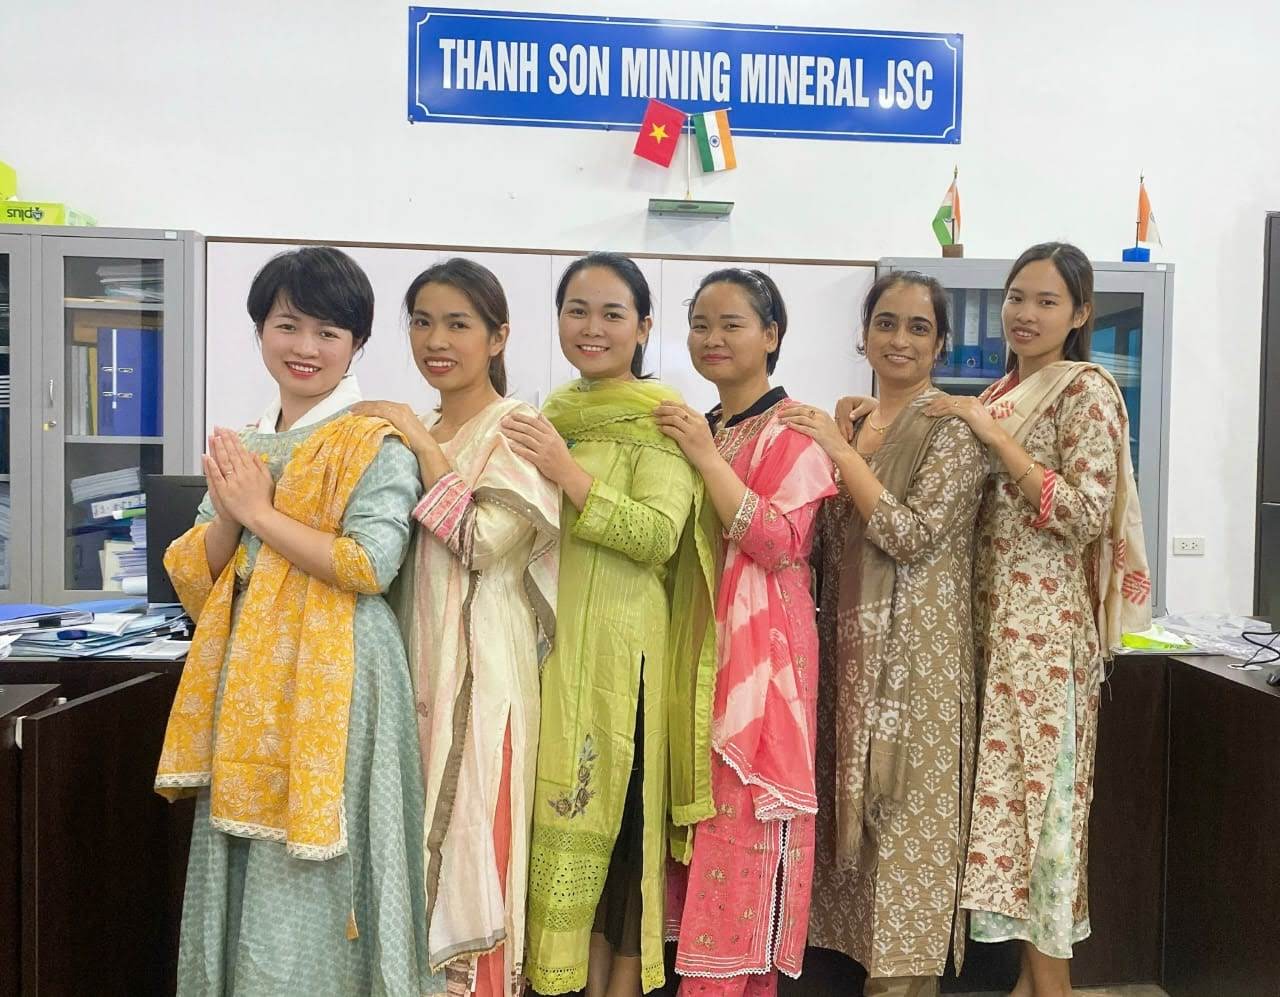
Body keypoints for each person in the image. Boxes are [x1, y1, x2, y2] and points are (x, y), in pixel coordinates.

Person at [155, 246, 436, 995]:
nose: (305, 348)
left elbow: (370, 564)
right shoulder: (242, 443)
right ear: (260, 330)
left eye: (328, 332)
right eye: (288, 326)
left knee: (320, 870)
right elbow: (194, 572)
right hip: (249, 676)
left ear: (356, 345)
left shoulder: (372, 439)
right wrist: (231, 510)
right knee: (249, 856)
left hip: (337, 675)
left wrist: (256, 511)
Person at [510, 253, 718, 997]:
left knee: (620, 826)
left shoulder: (662, 420)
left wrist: (569, 474)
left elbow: (658, 534)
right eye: (577, 310)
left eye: (611, 314)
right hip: (548, 649)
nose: (591, 328)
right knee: (551, 819)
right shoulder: (551, 412)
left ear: (642, 328)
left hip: (620, 656)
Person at [353, 258, 560, 997]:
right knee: (404, 851)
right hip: (409, 661)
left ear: (498, 335)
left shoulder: (518, 427)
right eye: (422, 321)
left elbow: (478, 541)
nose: (436, 340)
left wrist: (416, 438)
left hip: (483, 673)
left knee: (474, 843)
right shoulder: (417, 426)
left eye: (458, 323)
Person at [792, 272, 986, 997]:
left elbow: (908, 534)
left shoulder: (953, 434)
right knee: (852, 868)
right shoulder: (856, 424)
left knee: (906, 849)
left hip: (916, 675)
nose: (898, 339)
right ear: (863, 333)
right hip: (846, 666)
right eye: (885, 322)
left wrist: (841, 457)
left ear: (939, 341)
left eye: (916, 326)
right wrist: (844, 444)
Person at [657, 268, 835, 997]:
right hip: (699, 657)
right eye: (701, 323)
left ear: (771, 334)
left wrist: (701, 456)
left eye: (732, 323)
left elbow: (779, 539)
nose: (712, 337)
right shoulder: (708, 424)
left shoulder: (795, 430)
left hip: (764, 675)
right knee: (699, 848)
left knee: (745, 836)